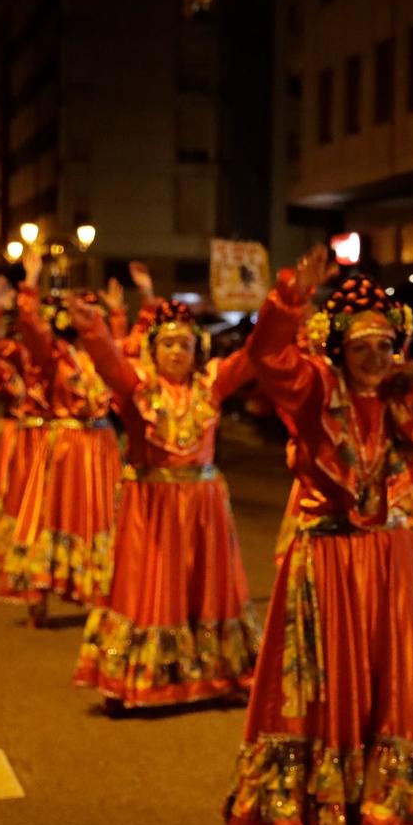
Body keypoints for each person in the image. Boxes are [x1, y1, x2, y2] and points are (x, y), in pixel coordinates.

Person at [222, 250, 413, 825]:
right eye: (363, 345)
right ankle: (317, 824)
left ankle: (384, 819)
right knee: (326, 690)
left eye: (385, 344)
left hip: (391, 561)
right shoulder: (313, 392)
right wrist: (290, 295)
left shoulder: (407, 399)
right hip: (328, 563)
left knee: (390, 687)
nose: (375, 356)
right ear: (340, 348)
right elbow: (267, 355)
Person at [69, 299, 259, 710]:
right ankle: (132, 674)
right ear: (153, 352)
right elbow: (110, 364)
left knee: (209, 587)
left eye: (185, 345)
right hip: (151, 505)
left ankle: (217, 672)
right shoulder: (139, 388)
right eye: (168, 344)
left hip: (204, 505)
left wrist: (288, 304)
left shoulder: (211, 386)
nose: (176, 352)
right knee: (146, 584)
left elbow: (253, 356)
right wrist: (94, 331)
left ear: (197, 353)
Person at [3, 252, 122, 626]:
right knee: (52, 515)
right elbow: (31, 325)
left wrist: (123, 311)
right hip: (66, 447)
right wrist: (31, 281)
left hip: (102, 448)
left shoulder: (103, 355)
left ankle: (95, 587)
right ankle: (39, 588)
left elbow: (128, 350)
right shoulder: (56, 356)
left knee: (99, 518)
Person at [0, 274, 42, 562]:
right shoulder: (15, 353)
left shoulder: (55, 357)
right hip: (17, 432)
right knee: (11, 489)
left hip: (43, 436)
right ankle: (7, 536)